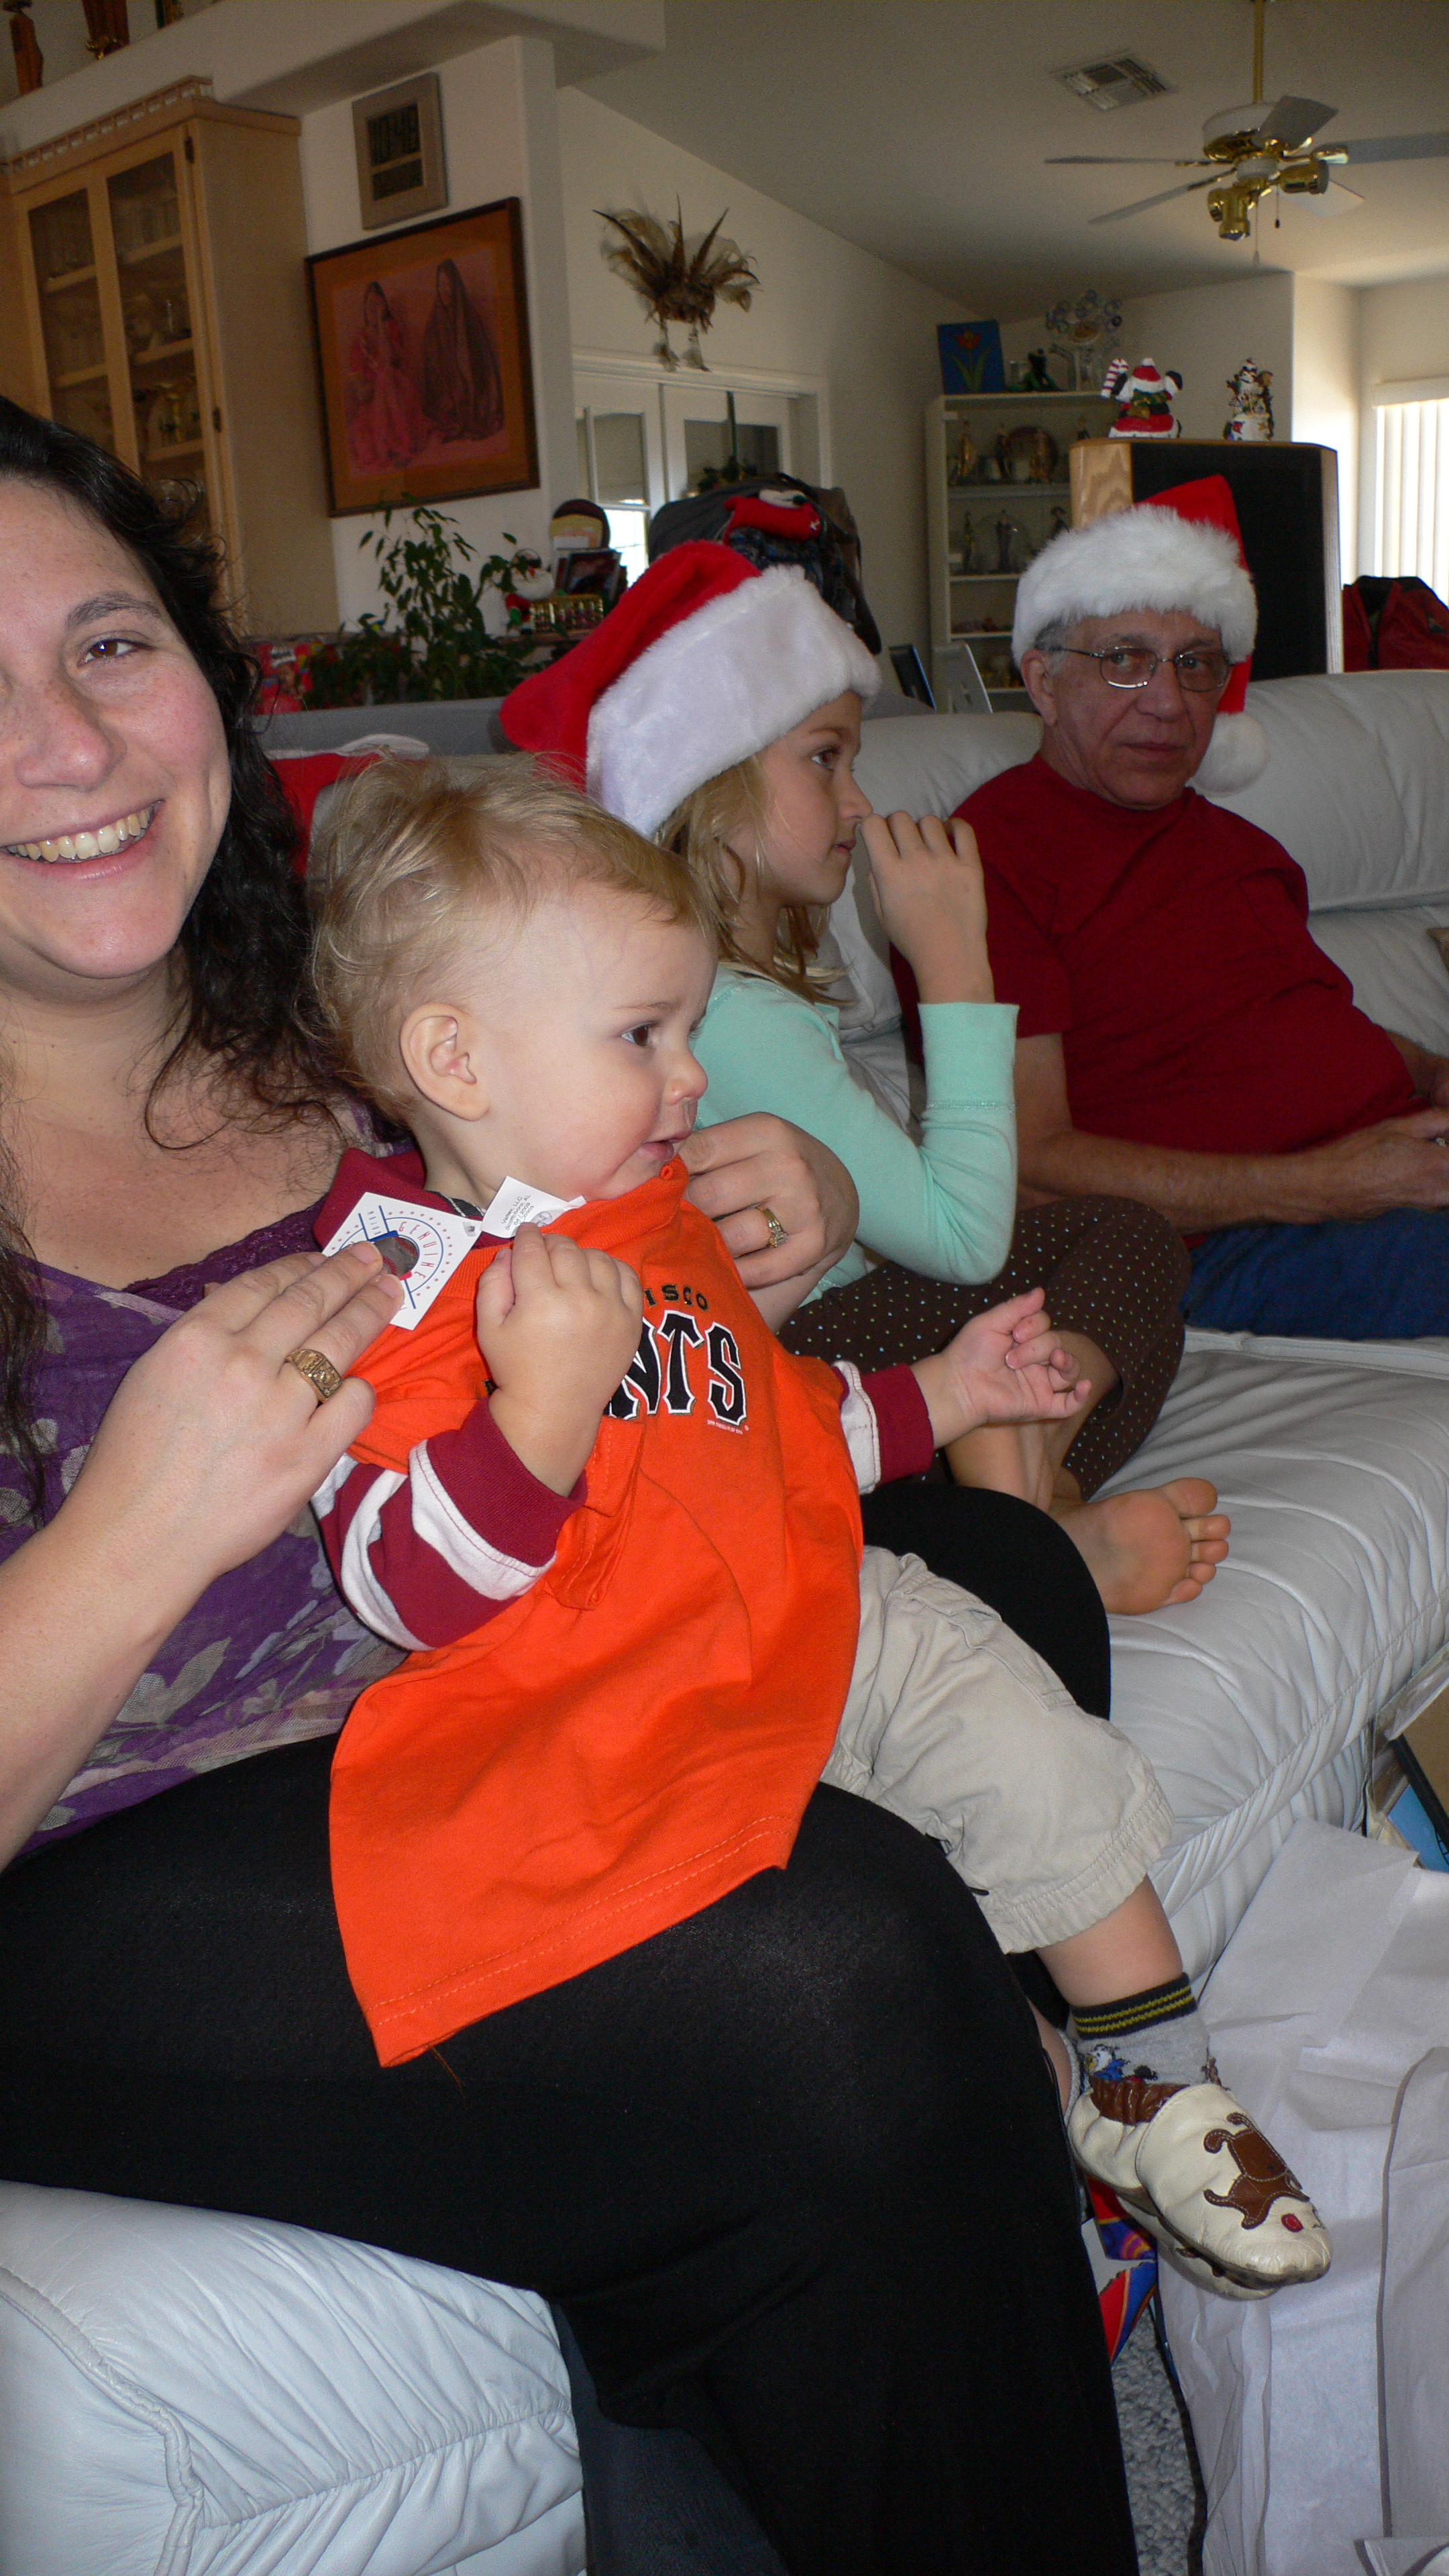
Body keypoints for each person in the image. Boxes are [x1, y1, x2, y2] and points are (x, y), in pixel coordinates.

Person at [0, 394, 1137, 2575]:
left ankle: (827, 2284)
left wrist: (782, 1196)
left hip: (517, 1658)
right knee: (844, 1962)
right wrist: (137, 1533)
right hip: (123, 1849)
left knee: (1001, 1566)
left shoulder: (347, 1013)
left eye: (108, 644)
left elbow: (622, 1244)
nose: (65, 744)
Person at [305, 747, 1330, 2309]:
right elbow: (403, 1587)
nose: (691, 1079)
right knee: (866, 1958)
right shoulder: (387, 1291)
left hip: (806, 1605)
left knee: (1012, 1720)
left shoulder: (659, 1219)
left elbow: (780, 1426)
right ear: (454, 1058)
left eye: (687, 1031)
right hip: (620, 1716)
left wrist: (945, 1387)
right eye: (643, 1036)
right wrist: (536, 1418)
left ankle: (1158, 2077)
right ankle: (1042, 2111)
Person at [502, 540, 1229, 1619]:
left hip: (835, 1365)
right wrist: (957, 963)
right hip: (783, 1365)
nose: (857, 803)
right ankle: (1026, 1506)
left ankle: (1036, 1490)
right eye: (824, 760)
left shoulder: (741, 990)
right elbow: (966, 1239)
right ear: (711, 783)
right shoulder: (727, 1014)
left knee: (1125, 1255)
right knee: (1120, 1243)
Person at [959, 472, 1449, 1341]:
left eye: (1194, 664)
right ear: (1042, 681)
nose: (1168, 701)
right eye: (1124, 659)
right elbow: (1029, 1164)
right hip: (1228, 1242)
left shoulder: (1239, 847)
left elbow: (1284, 1019)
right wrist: (1325, 1186)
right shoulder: (989, 860)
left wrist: (1430, 1072)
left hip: (1392, 1173)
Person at [345, 280, 429, 474]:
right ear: (364, 309)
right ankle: (396, 446)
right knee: (382, 380)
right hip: (374, 400)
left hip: (398, 390)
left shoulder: (391, 329)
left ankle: (403, 444)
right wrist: (378, 385)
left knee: (386, 377)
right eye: (370, 307)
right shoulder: (359, 344)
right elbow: (361, 393)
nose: (373, 311)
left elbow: (390, 362)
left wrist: (382, 329)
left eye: (378, 306)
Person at [421, 256, 504, 444]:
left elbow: (479, 358)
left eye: (448, 284)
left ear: (456, 286)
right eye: (440, 284)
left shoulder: (468, 316)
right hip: (446, 386)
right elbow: (431, 361)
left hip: (469, 384)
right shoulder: (435, 320)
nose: (444, 289)